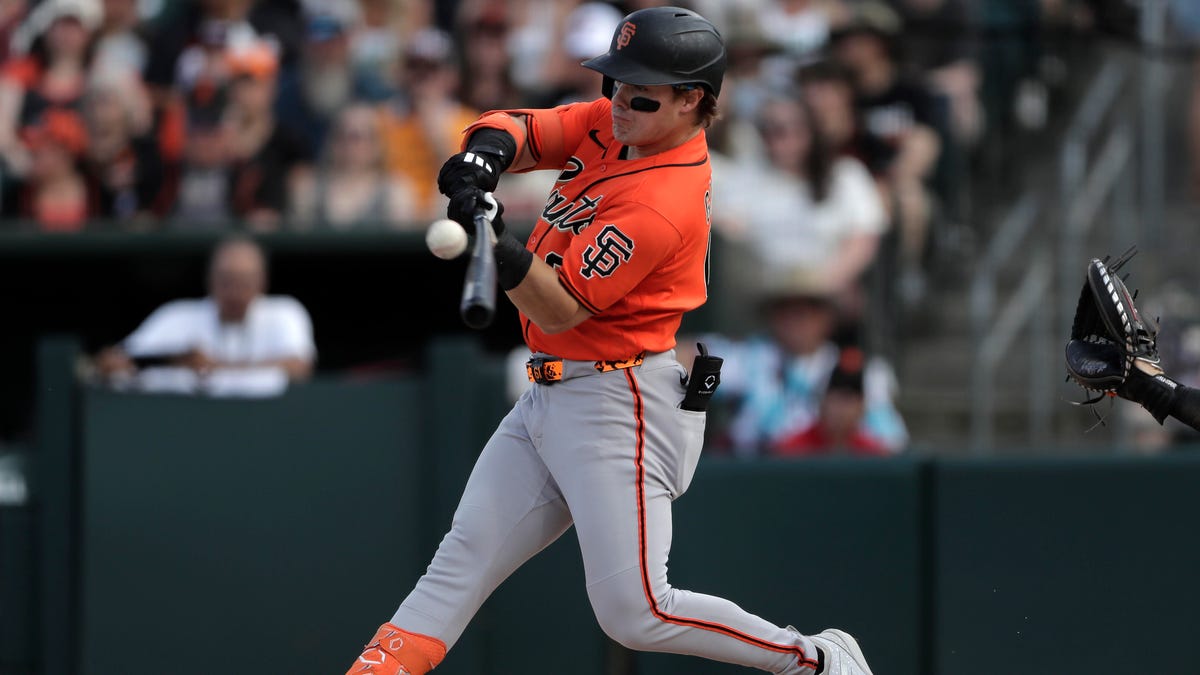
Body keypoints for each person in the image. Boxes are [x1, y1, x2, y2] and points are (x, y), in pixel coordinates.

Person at [345, 7, 875, 675]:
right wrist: (483, 159)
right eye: (617, 82)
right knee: (460, 560)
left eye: (643, 90)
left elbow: (561, 305)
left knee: (637, 612)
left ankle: (819, 662)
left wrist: (500, 245)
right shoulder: (617, 121)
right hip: (551, 389)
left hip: (619, 399)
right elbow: (528, 128)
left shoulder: (665, 198)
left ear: (692, 101)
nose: (620, 100)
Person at [92, 235, 315, 397]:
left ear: (262, 282)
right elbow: (119, 360)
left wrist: (213, 366)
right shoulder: (176, 316)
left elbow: (298, 367)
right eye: (226, 280)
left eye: (244, 282)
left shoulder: (285, 312)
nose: (234, 292)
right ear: (210, 279)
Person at [773, 346, 892, 457]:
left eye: (849, 400)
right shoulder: (793, 450)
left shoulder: (871, 452)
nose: (841, 409)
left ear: (861, 407)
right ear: (822, 403)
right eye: (836, 399)